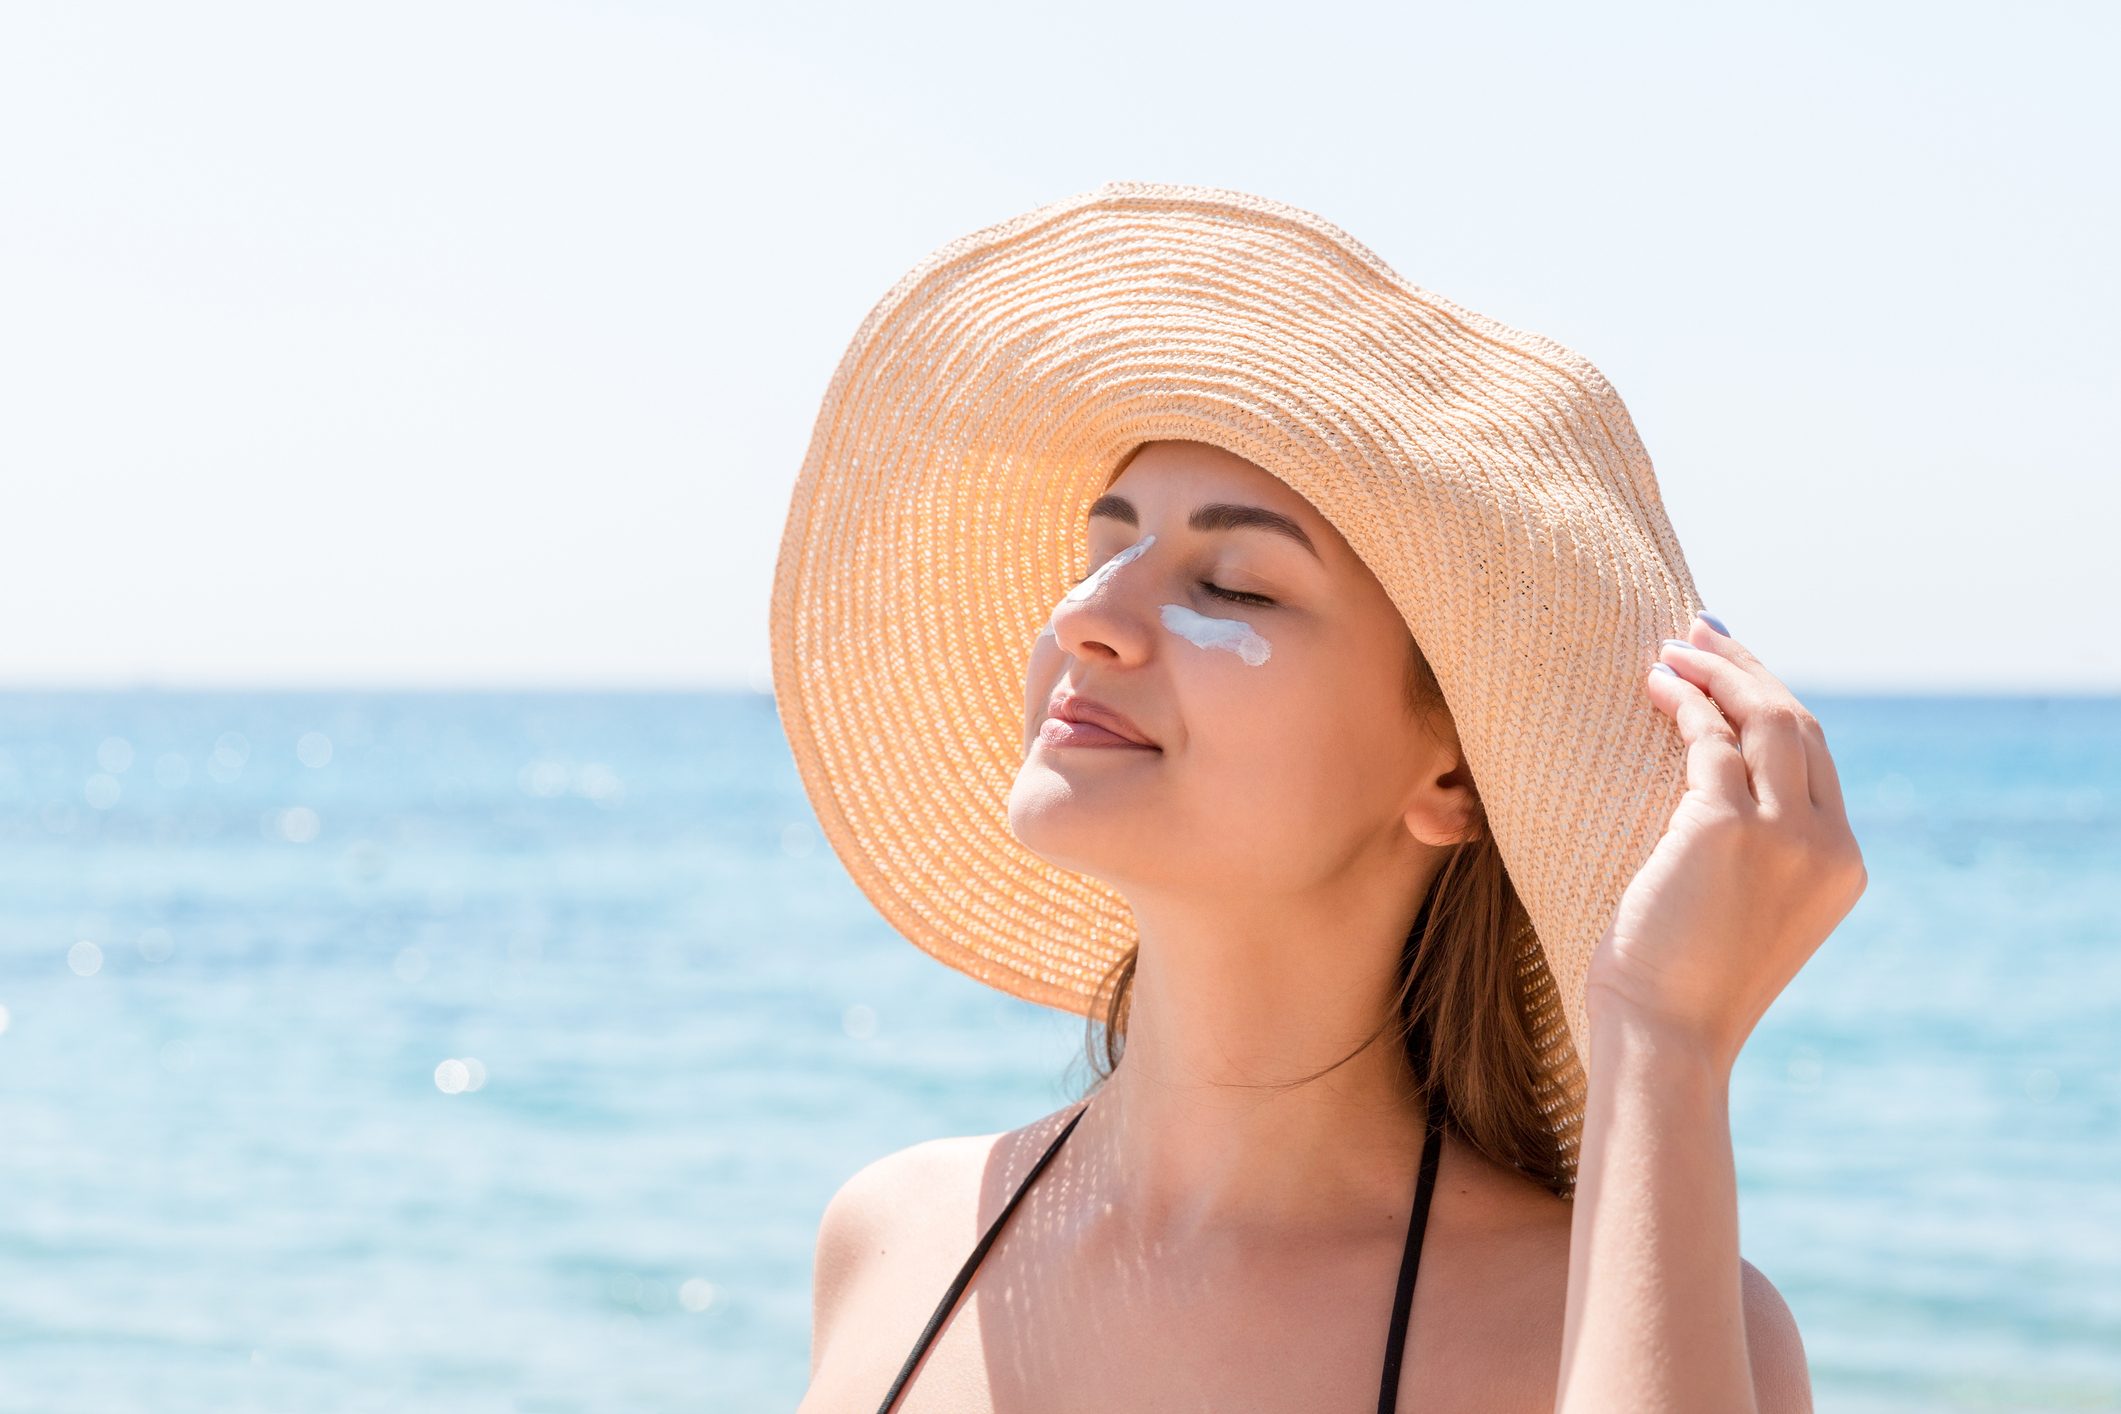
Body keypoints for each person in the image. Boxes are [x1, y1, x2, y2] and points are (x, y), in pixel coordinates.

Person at [774, 183, 1864, 1411]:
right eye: (1103, 551)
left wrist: (1663, 1041)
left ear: (1453, 769)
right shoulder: (892, 1243)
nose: (1086, 616)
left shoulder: (1630, 1329)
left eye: (1233, 584)